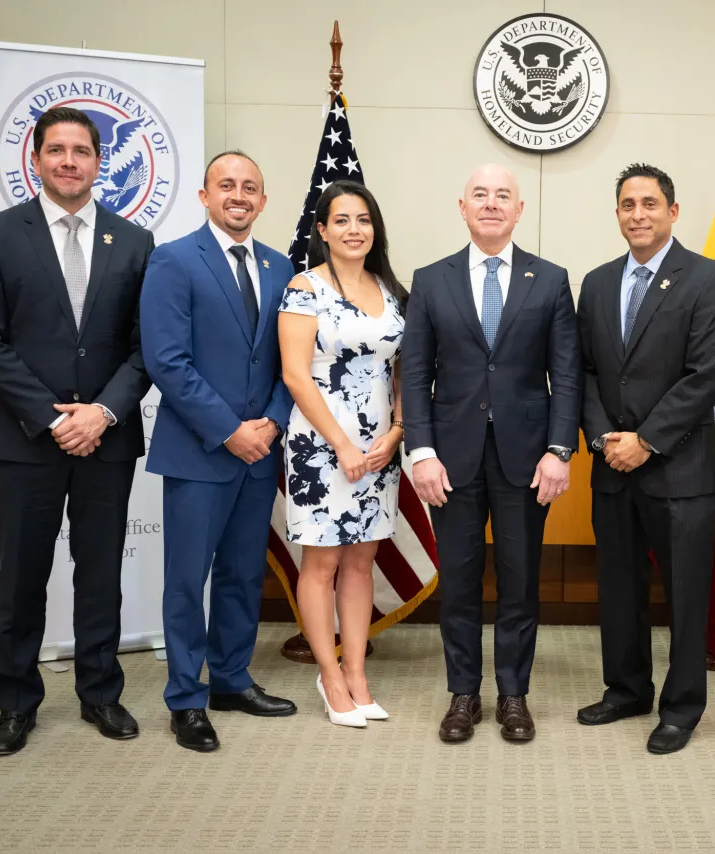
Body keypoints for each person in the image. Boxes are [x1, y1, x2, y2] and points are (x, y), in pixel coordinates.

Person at [0, 107, 155, 756]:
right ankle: (16, 703)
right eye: (57, 150)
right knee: (22, 573)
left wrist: (102, 413)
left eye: (81, 151)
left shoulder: (134, 241)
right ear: (36, 158)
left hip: (107, 439)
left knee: (100, 571)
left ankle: (100, 692)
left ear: (100, 161)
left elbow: (145, 346)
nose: (69, 161)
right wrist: (52, 418)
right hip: (24, 440)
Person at [401, 163, 580, 744]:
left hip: (528, 460)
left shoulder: (550, 280)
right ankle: (463, 695)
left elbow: (567, 376)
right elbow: (416, 373)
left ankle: (513, 695)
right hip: (448, 459)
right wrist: (420, 451)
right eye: (480, 194)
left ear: (519, 209)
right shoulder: (431, 280)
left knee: (520, 579)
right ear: (462, 206)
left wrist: (560, 449)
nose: (492, 203)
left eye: (503, 195)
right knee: (457, 579)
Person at [575, 163, 715, 755]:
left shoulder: (707, 278)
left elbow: (707, 374)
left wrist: (644, 439)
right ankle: (626, 690)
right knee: (619, 586)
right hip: (611, 464)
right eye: (627, 205)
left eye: (649, 204)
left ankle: (682, 707)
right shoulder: (595, 283)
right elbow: (584, 372)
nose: (637, 214)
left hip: (678, 465)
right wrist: (603, 440)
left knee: (686, 594)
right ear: (616, 214)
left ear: (673, 212)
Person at [141, 150, 298, 752]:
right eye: (226, 185)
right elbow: (167, 362)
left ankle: (231, 678)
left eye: (250, 187)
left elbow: (292, 364)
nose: (239, 195)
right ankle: (186, 697)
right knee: (187, 579)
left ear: (263, 200)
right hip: (200, 451)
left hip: (260, 452)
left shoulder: (281, 267)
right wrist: (230, 429)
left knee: (241, 574)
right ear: (204, 196)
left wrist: (272, 426)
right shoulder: (174, 260)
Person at [278, 181, 407, 728]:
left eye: (364, 220)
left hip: (380, 448)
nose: (355, 229)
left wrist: (398, 430)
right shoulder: (304, 287)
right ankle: (330, 676)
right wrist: (342, 445)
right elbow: (294, 374)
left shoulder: (391, 288)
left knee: (362, 561)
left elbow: (403, 369)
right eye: (343, 220)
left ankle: (358, 674)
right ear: (323, 230)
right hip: (321, 444)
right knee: (323, 561)